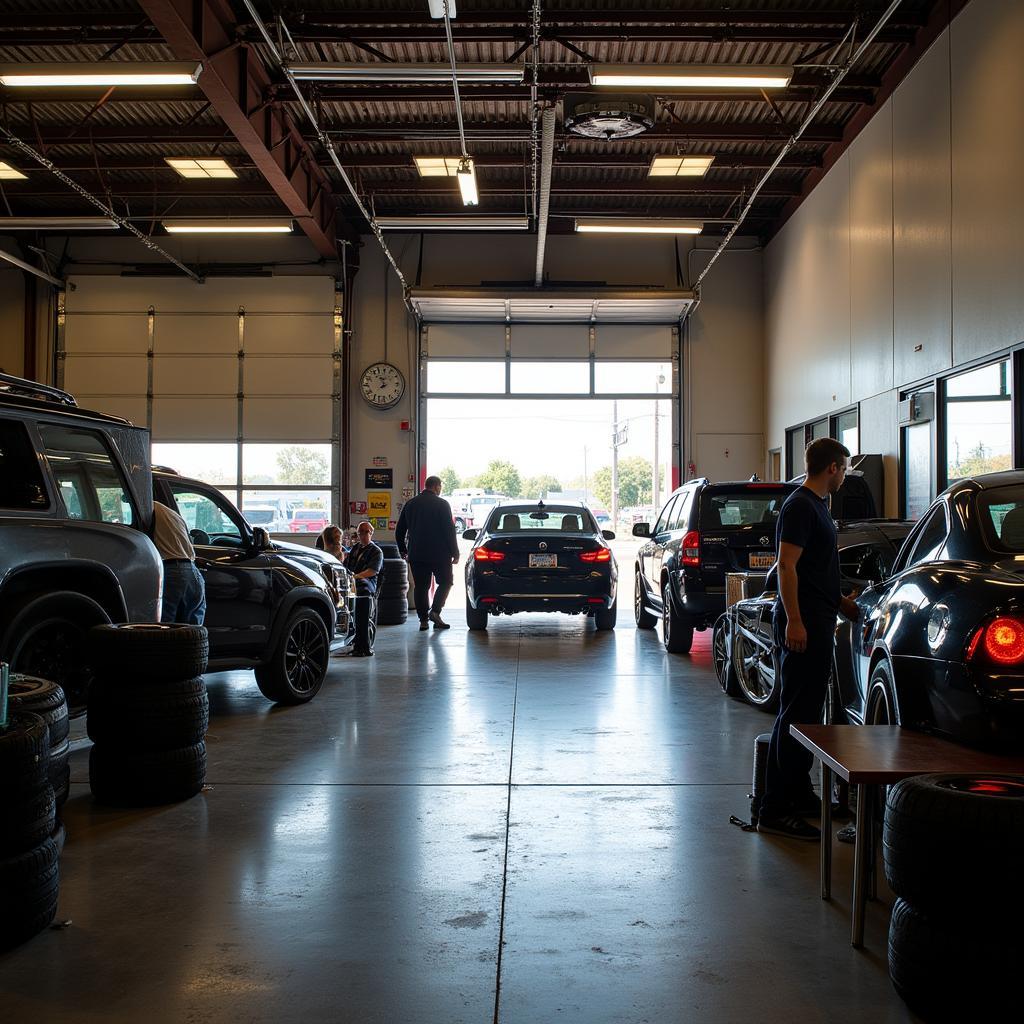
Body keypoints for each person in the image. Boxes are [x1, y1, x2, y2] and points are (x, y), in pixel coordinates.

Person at [757, 438, 861, 842]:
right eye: (846, 468)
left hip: (819, 619)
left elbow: (815, 571)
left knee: (807, 715)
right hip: (804, 626)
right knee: (796, 716)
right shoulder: (800, 505)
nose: (846, 475)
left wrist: (840, 603)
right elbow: (786, 566)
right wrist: (795, 621)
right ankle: (775, 809)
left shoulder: (817, 506)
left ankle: (799, 795)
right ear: (832, 467)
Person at [396, 475, 459, 630]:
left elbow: (399, 531)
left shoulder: (410, 504)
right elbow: (449, 530)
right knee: (446, 582)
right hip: (440, 554)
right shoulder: (442, 504)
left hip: (417, 554)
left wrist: (403, 550)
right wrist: (455, 552)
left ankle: (423, 620)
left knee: (421, 586)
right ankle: (435, 612)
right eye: (440, 487)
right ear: (437, 486)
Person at [153, 500, 206, 625]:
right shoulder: (171, 513)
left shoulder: (147, 510)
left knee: (165, 631)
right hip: (193, 572)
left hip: (170, 570)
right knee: (194, 633)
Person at [347, 520, 383, 656]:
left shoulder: (376, 551)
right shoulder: (355, 549)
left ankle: (363, 646)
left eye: (366, 532)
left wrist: (355, 577)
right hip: (353, 582)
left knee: (362, 591)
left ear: (371, 533)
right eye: (360, 532)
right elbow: (346, 565)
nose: (362, 535)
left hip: (367, 584)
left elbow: (372, 571)